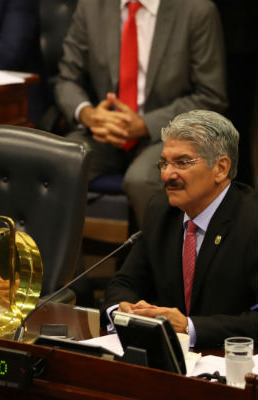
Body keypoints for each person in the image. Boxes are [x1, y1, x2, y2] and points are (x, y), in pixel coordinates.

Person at [55, 0, 228, 227]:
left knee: (141, 180)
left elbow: (211, 96)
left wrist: (145, 124)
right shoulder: (91, 6)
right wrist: (87, 113)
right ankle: (64, 263)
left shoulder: (197, 10)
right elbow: (66, 79)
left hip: (169, 133)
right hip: (107, 133)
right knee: (60, 163)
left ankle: (158, 261)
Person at [102, 110, 258, 349]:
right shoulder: (160, 211)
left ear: (221, 168)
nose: (167, 174)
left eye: (182, 163)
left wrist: (189, 326)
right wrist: (124, 311)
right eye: (164, 162)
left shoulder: (251, 222)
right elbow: (124, 283)